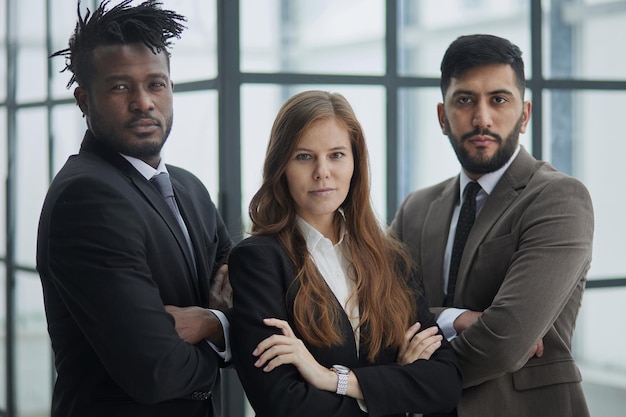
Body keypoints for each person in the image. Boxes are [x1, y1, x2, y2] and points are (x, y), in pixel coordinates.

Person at [36, 1, 232, 416]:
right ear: (84, 100)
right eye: (120, 87)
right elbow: (157, 371)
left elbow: (257, 295)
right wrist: (232, 340)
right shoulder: (87, 198)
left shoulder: (189, 188)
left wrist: (213, 324)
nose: (143, 102)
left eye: (156, 84)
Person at [390, 34, 594, 417]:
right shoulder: (415, 208)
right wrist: (457, 318)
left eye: (498, 99)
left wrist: (408, 375)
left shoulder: (559, 199)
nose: (482, 118)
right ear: (442, 116)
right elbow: (375, 313)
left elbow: (506, 339)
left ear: (525, 114)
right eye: (464, 100)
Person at [229, 90, 462, 417]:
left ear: (355, 162)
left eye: (336, 155)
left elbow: (445, 383)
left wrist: (331, 379)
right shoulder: (258, 262)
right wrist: (397, 382)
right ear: (281, 166)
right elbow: (285, 404)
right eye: (304, 156)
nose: (322, 172)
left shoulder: (390, 259)